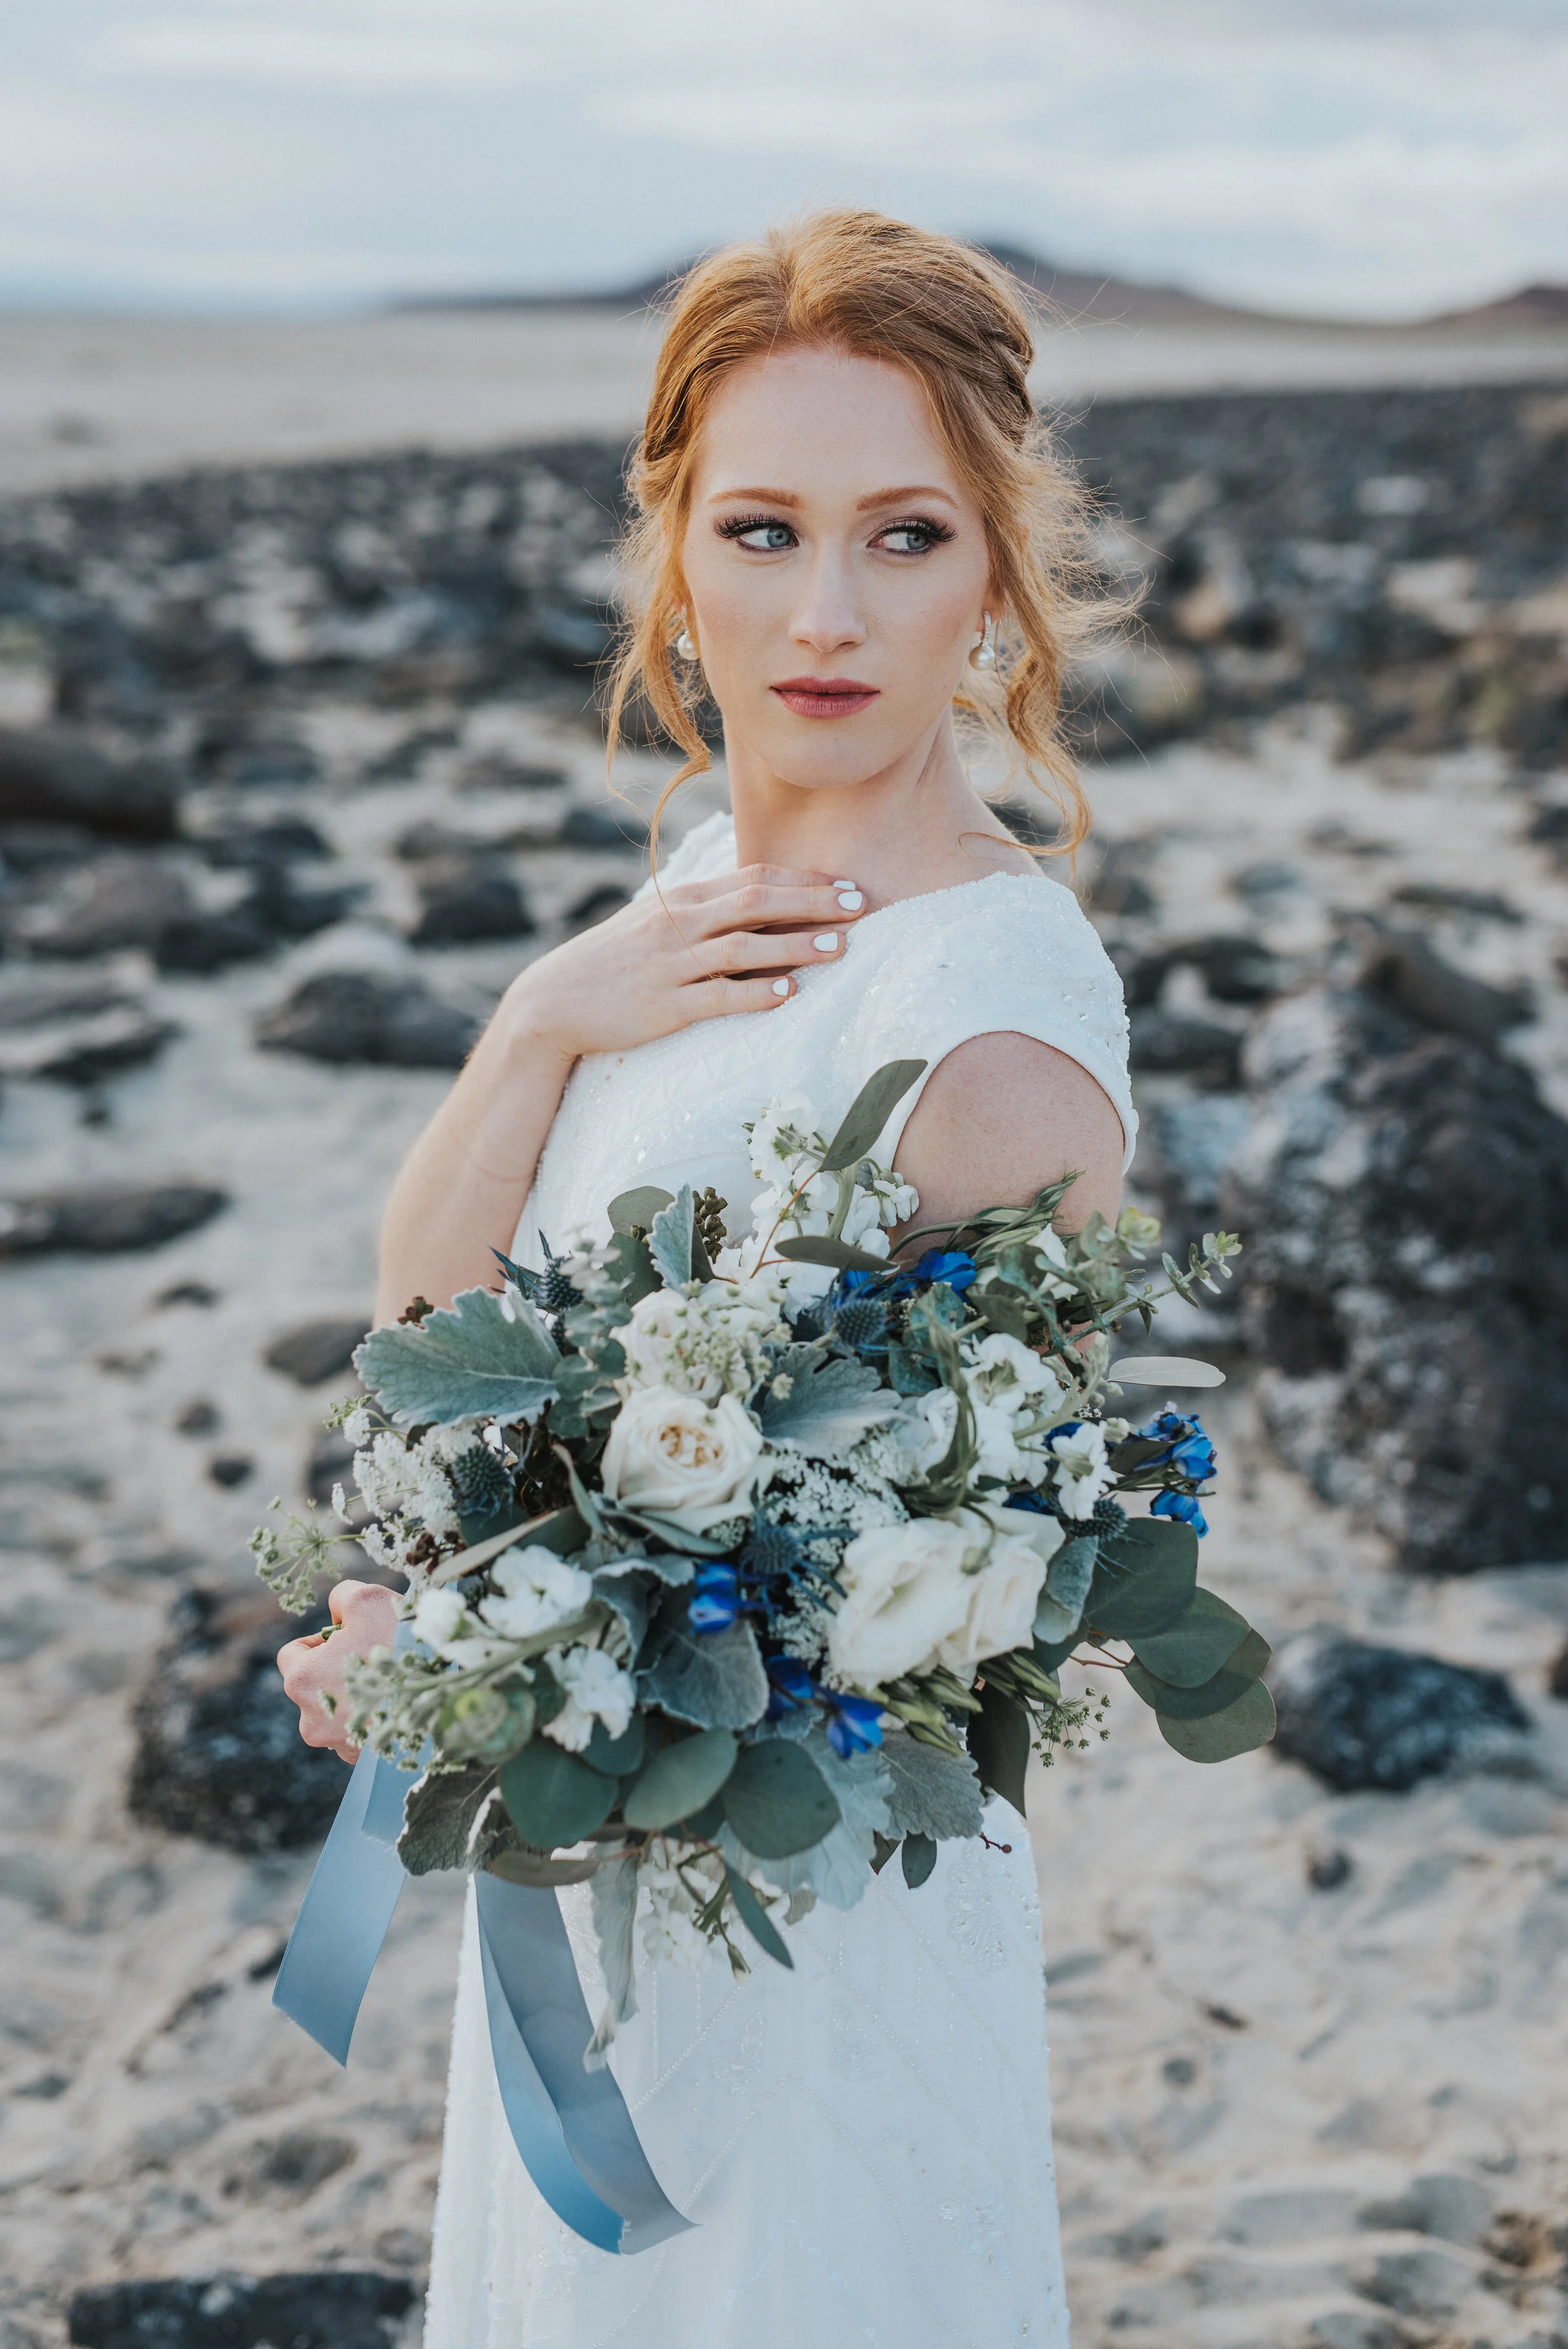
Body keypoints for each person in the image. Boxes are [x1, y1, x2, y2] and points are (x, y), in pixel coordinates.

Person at [278, 208, 1135, 2347]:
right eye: (759, 531)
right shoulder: (688, 892)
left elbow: (904, 1585)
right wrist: (541, 1024)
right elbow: (422, 1332)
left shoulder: (987, 1035)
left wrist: (459, 1651)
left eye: (905, 536)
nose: (824, 614)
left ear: (999, 576)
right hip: (601, 1881)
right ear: (670, 544)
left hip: (800, 1906)